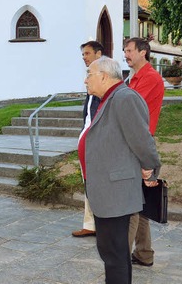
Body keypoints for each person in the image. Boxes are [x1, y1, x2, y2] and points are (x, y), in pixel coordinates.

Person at [81, 56, 160, 284]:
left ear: (104, 76)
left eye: (89, 74)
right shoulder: (109, 98)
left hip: (117, 192)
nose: (85, 80)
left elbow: (142, 140)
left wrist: (151, 168)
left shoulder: (124, 98)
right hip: (107, 191)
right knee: (110, 252)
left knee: (115, 254)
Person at [123, 37, 165, 268]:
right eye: (125, 51)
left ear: (143, 52)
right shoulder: (133, 77)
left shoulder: (149, 78)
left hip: (139, 144)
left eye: (129, 50)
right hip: (136, 142)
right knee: (139, 204)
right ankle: (144, 253)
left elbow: (129, 107)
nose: (126, 54)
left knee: (131, 204)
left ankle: (122, 259)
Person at [72, 40, 103, 238]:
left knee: (95, 182)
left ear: (98, 54)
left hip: (95, 138)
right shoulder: (93, 76)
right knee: (89, 181)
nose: (84, 57)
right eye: (83, 54)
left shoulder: (102, 77)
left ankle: (98, 223)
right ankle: (91, 224)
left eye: (88, 53)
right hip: (89, 135)